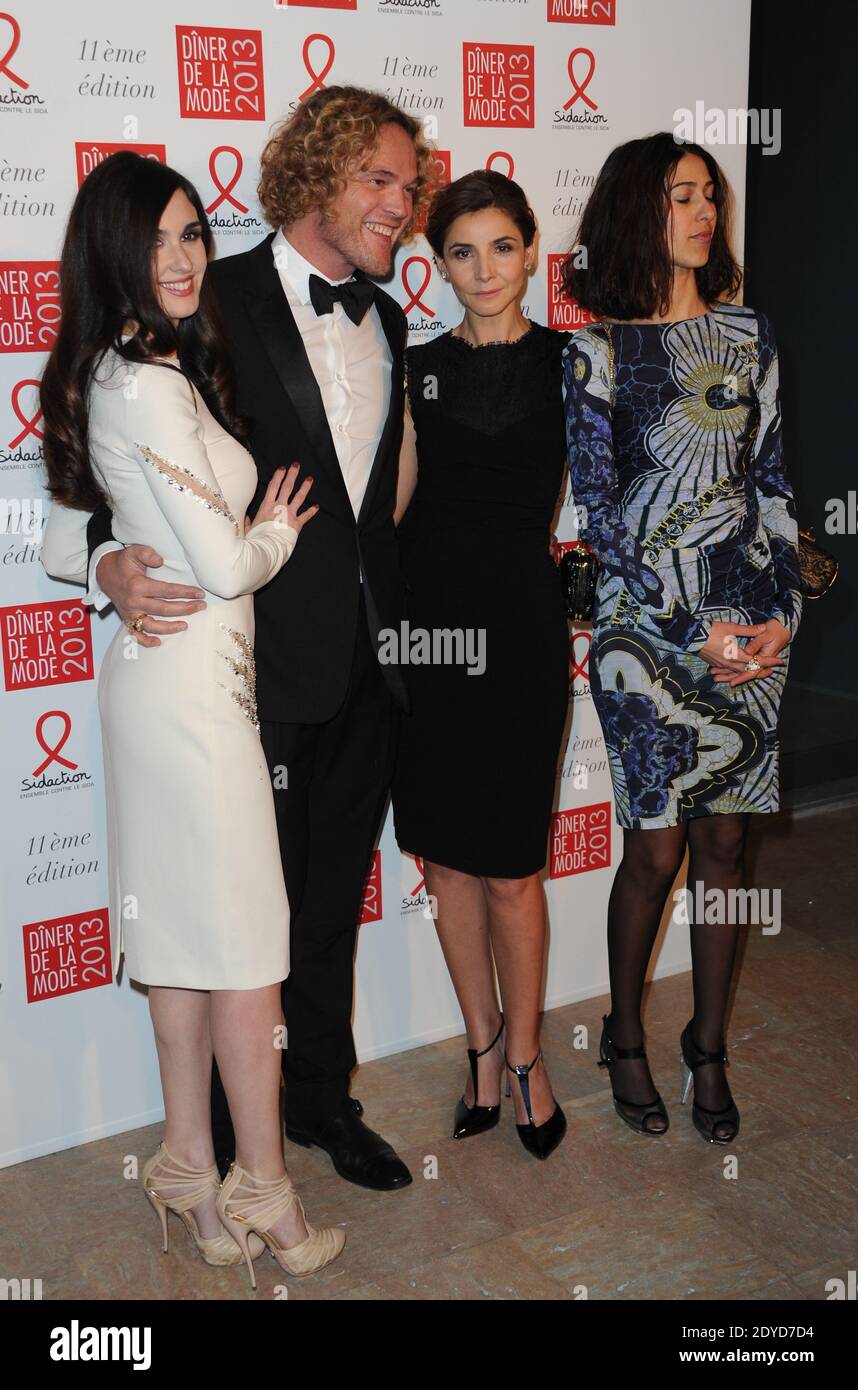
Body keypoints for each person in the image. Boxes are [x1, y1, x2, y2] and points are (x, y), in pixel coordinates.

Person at [81, 88, 437, 1191]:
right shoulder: (208, 297)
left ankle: (322, 1101)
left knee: (329, 903)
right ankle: (241, 1143)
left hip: (371, 663)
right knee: (249, 917)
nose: (400, 202)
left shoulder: (388, 314)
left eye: (408, 184)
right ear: (320, 176)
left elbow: (378, 497)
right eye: (379, 178)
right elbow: (111, 454)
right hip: (246, 673)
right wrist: (102, 562)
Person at [40, 151, 344, 1284]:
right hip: (187, 695)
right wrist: (270, 528)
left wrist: (141, 543)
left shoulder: (151, 364)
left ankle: (186, 1159)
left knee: (184, 945)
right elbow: (209, 559)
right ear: (115, 253)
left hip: (171, 689)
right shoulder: (142, 378)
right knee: (248, 946)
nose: (180, 257)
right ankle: (259, 1181)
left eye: (192, 234)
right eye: (157, 239)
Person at [561, 133, 802, 1143]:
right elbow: (598, 510)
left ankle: (708, 1046)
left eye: (709, 195)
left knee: (726, 842)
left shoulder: (749, 337)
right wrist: (674, 623)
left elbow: (777, 486)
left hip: (748, 624)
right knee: (655, 848)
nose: (703, 213)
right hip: (641, 633)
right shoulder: (594, 351)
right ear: (635, 213)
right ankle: (624, 1034)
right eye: (679, 197)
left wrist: (781, 613)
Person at [392, 171, 570, 1160]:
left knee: (511, 868)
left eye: (501, 246)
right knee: (447, 858)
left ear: (532, 251)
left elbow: (618, 509)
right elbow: (397, 506)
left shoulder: (570, 362)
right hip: (429, 632)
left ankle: (533, 1058)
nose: (484, 268)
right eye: (462, 251)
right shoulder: (416, 368)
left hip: (524, 628)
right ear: (440, 263)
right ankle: (481, 1047)